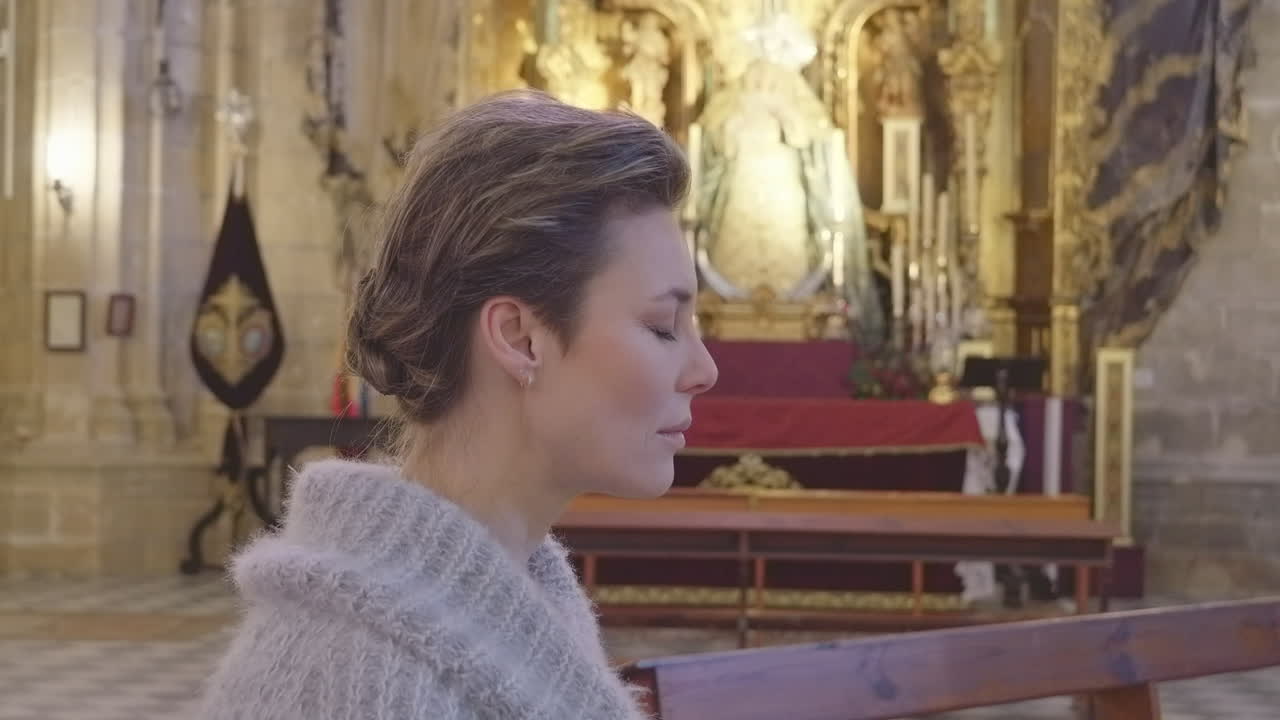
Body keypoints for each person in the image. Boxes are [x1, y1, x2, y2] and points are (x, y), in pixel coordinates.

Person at [198, 91, 718, 719]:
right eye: (662, 326)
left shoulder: (509, 583)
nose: (704, 371)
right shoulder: (375, 683)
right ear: (519, 338)